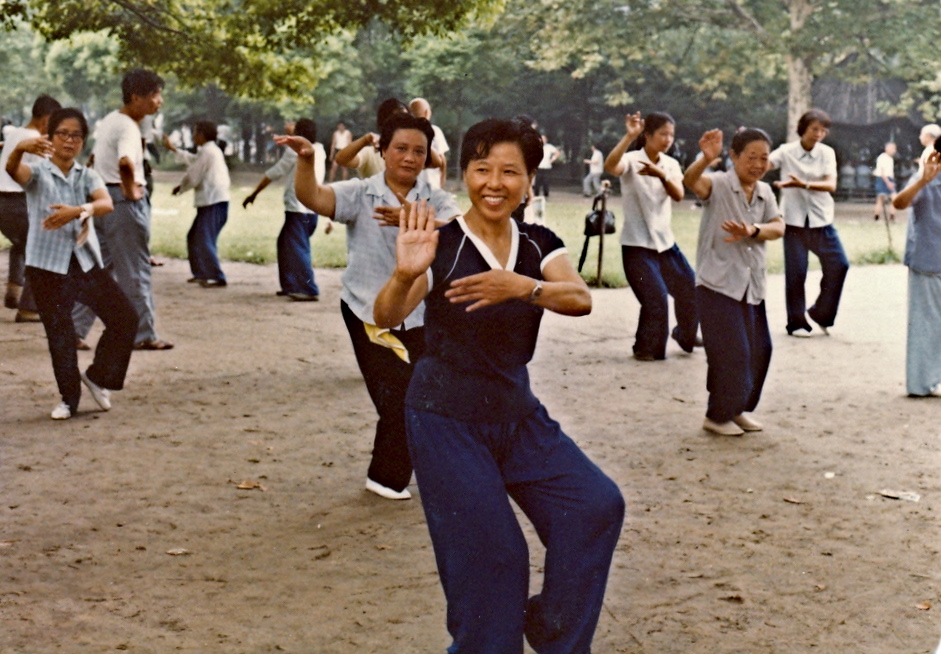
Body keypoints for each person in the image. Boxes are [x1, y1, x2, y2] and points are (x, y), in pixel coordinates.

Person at [373, 118, 624, 653]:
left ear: (529, 181)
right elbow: (387, 313)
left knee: (595, 506)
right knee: (494, 557)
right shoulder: (441, 244)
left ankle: (555, 633)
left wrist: (524, 288)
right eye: (482, 169)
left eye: (510, 171)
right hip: (445, 419)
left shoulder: (539, 244)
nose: (494, 182)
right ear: (464, 174)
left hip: (517, 412)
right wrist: (403, 273)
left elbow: (579, 298)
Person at [276, 112, 461, 500]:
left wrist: (417, 218)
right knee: (398, 398)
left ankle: (404, 472)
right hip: (366, 312)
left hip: (421, 316)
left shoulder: (437, 199)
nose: (409, 158)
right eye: (401, 149)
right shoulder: (360, 193)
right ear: (383, 149)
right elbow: (313, 197)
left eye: (419, 151)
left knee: (424, 395)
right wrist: (308, 160)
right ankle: (386, 478)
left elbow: (466, 234)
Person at [5, 107, 137, 419]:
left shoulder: (87, 175)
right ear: (50, 138)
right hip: (46, 266)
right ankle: (68, 400)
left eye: (76, 135)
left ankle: (99, 376)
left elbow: (105, 203)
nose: (69, 140)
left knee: (125, 318)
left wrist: (79, 210)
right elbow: (14, 171)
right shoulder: (37, 173)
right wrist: (20, 149)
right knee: (60, 334)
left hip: (84, 262)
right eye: (62, 133)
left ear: (83, 141)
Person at [683, 127, 785, 436]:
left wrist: (752, 230)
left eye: (764, 158)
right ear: (734, 156)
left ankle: (736, 409)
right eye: (751, 157)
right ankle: (717, 416)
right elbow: (691, 182)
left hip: (751, 286)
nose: (757, 165)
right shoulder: (719, 185)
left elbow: (778, 227)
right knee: (733, 354)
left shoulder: (765, 191)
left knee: (760, 351)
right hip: (717, 285)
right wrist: (705, 159)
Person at [73, 69, 173, 350]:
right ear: (136, 97)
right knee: (135, 269)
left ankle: (73, 329)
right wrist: (130, 191)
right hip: (123, 202)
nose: (159, 101)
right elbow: (126, 162)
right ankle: (143, 334)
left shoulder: (109, 121)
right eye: (155, 95)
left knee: (100, 270)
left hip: (103, 200)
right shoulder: (129, 126)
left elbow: (93, 159)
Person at [604, 111, 699, 360]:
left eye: (671, 135)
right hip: (637, 245)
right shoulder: (632, 160)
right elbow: (611, 166)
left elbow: (678, 194)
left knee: (692, 289)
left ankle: (685, 334)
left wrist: (661, 174)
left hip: (665, 244)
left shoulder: (670, 164)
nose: (668, 139)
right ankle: (646, 348)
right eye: (663, 134)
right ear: (648, 135)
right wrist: (628, 136)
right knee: (656, 299)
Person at [767, 108, 849, 337]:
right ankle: (796, 322)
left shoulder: (827, 153)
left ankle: (821, 313)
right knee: (796, 273)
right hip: (793, 222)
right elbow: (765, 164)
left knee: (840, 265)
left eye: (823, 130)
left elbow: (831, 185)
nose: (819, 134)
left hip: (821, 220)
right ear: (803, 128)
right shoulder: (786, 151)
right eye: (814, 129)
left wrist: (802, 184)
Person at [243, 118, 328, 301]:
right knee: (286, 243)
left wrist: (254, 194)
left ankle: (307, 289)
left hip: (298, 208)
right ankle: (291, 284)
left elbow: (273, 173)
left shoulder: (294, 153)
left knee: (298, 248)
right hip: (311, 208)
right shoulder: (320, 150)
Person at [0, 94, 62, 322]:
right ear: (48, 119)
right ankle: (29, 307)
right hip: (19, 201)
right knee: (42, 248)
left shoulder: (15, 133)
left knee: (22, 243)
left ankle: (14, 290)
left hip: (2, 203)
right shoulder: (37, 140)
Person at [892, 145, 941, 397]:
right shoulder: (927, 178)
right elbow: (899, 203)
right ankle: (921, 383)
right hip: (929, 261)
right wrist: (923, 179)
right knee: (925, 325)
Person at [164, 120, 231, 288]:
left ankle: (215, 276)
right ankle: (201, 273)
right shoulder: (208, 151)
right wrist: (173, 149)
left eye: (195, 133)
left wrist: (181, 187)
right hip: (211, 201)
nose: (193, 136)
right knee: (195, 236)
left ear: (202, 135)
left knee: (203, 238)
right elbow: (194, 161)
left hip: (214, 202)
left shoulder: (208, 152)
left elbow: (194, 174)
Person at [333, 98, 410, 179]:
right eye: (396, 118)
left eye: (406, 117)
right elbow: (341, 159)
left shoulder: (417, 153)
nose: (403, 121)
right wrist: (365, 140)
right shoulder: (370, 153)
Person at [408, 98, 449, 189]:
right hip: (432, 184)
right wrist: (442, 182)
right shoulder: (435, 131)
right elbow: (442, 161)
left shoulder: (404, 133)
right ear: (427, 112)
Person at [873, 141, 897, 221]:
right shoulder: (882, 157)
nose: (894, 151)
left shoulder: (890, 159)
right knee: (880, 199)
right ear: (887, 148)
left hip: (889, 178)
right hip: (883, 179)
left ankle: (892, 216)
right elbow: (882, 172)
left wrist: (891, 181)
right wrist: (888, 183)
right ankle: (876, 217)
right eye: (892, 148)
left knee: (894, 198)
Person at [533, 133, 559, 198]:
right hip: (538, 167)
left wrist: (552, 160)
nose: (542, 140)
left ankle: (546, 195)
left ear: (546, 140)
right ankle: (536, 196)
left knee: (546, 182)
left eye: (544, 139)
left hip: (547, 167)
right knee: (537, 182)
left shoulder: (549, 147)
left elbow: (557, 153)